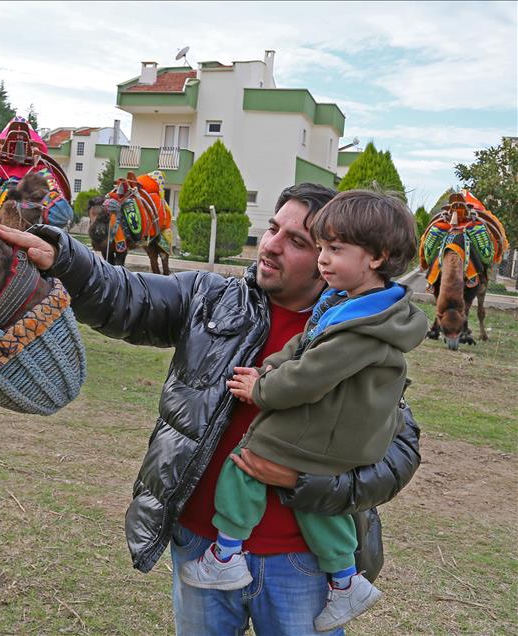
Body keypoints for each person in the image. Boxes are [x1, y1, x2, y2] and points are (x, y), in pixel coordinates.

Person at [0, 182, 423, 636]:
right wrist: (61, 258)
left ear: (332, 257)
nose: (271, 246)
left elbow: (398, 454)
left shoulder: (356, 335)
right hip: (203, 546)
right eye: (273, 229)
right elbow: (124, 295)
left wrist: (305, 482)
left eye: (298, 241)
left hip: (304, 562)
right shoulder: (209, 298)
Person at [179, 190, 427, 632]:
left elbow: (311, 373)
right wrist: (275, 361)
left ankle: (226, 552)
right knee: (319, 509)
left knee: (247, 459)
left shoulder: (362, 326)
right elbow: (305, 346)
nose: (324, 260)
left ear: (377, 257)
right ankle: (345, 580)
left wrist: (263, 388)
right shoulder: (352, 305)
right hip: (339, 441)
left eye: (333, 249)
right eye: (323, 248)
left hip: (335, 439)